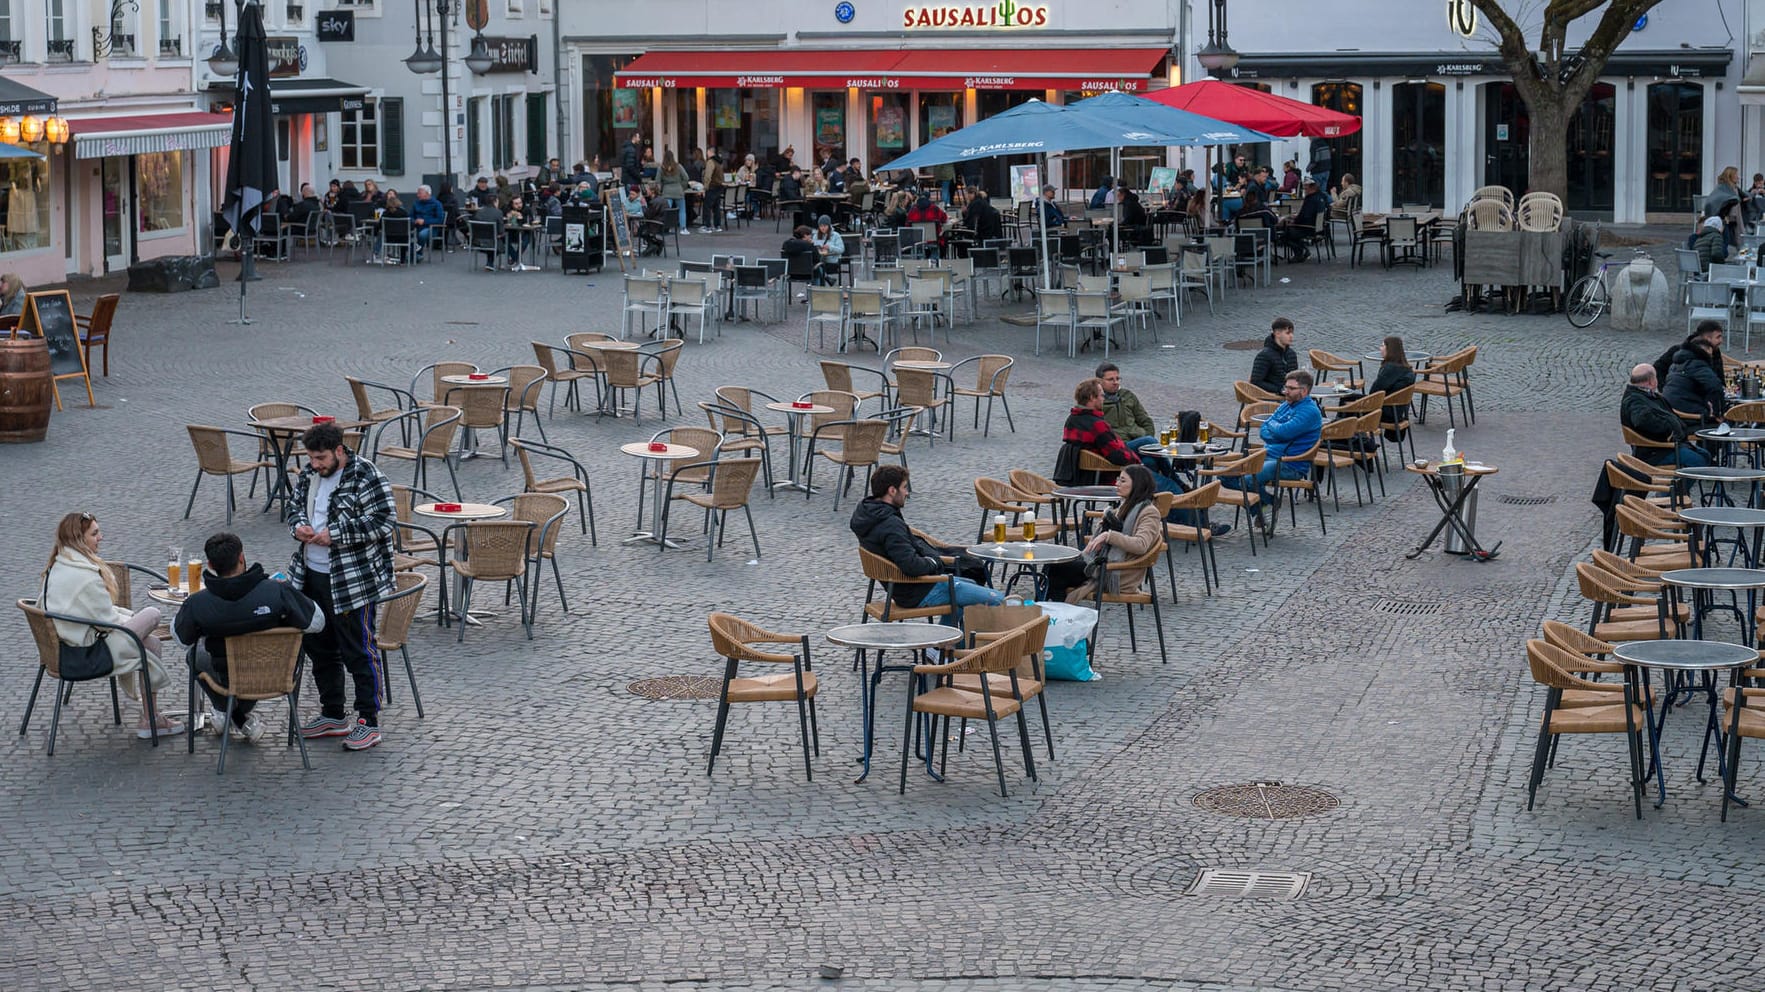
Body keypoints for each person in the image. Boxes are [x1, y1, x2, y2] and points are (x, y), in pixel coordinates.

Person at [286, 421, 397, 751]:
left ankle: (369, 720)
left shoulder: (366, 474)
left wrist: (337, 534)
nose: (315, 465)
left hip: (353, 580)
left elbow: (385, 519)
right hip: (311, 574)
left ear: (338, 451)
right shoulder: (309, 474)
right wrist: (299, 528)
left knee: (358, 650)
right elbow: (293, 508)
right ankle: (333, 714)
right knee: (319, 647)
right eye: (312, 458)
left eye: (320, 458)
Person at [173, 532, 326, 743]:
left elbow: (180, 639)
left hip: (227, 675)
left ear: (209, 564)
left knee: (194, 655)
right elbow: (317, 622)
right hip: (277, 671)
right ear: (242, 557)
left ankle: (226, 711)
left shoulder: (198, 604)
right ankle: (238, 716)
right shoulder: (277, 591)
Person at [40, 512, 180, 739]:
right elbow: (107, 622)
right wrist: (137, 621)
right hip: (89, 653)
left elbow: (99, 614)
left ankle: (151, 719)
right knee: (153, 614)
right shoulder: (84, 576)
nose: (101, 537)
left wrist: (131, 619)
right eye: (94, 533)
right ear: (79, 538)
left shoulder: (58, 566)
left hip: (69, 645)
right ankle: (151, 719)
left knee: (151, 643)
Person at [849, 465, 1003, 625]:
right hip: (917, 590)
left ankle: (942, 648)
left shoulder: (868, 514)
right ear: (892, 491)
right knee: (999, 600)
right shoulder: (890, 525)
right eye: (904, 487)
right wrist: (935, 561)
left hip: (903, 588)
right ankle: (962, 645)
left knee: (970, 586)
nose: (907, 493)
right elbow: (911, 565)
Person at [1041, 465, 1165, 609]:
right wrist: (1105, 525)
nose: (1117, 484)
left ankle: (1056, 613)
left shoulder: (1149, 512)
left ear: (1137, 485)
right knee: (1054, 567)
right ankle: (1053, 612)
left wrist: (1108, 536)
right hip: (1103, 563)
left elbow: (1141, 545)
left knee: (1057, 570)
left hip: (1117, 571)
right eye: (1118, 479)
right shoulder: (1126, 506)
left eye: (1123, 481)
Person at [1224, 370, 1324, 536]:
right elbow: (1264, 430)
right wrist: (1276, 429)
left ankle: (1263, 506)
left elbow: (1282, 431)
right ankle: (1268, 503)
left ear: (1304, 391)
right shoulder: (1286, 405)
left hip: (1289, 463)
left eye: (1291, 388)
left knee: (1248, 480)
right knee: (1225, 475)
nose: (1286, 391)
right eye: (1286, 387)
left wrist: (1275, 428)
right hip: (1269, 454)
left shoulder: (1310, 412)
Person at [1622, 363, 1709, 468]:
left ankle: (1681, 482)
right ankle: (1676, 484)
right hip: (1656, 450)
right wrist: (1669, 430)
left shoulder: (1648, 395)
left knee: (1705, 455)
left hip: (1668, 445)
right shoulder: (1635, 401)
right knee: (1697, 461)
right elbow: (1641, 420)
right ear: (1651, 381)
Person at [1662, 327, 1728, 425]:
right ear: (1704, 351)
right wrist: (1718, 413)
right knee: (1725, 421)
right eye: (1709, 354)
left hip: (1671, 410)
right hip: (1688, 413)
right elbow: (1715, 386)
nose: (1711, 357)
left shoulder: (1675, 364)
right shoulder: (1697, 364)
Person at [1095, 362, 1156, 451]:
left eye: (1118, 378)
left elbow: (1145, 420)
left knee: (1150, 461)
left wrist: (1148, 434)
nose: (1115, 382)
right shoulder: (1096, 400)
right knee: (1150, 442)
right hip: (1118, 445)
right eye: (1111, 379)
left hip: (1138, 439)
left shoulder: (1127, 395)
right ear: (1099, 381)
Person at [1367, 335, 1417, 432]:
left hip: (1384, 413)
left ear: (1389, 349)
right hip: (1397, 412)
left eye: (1382, 346)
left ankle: (1346, 442)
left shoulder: (1390, 369)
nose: (1380, 348)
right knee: (1351, 399)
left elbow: (1374, 393)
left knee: (1347, 402)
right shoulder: (1406, 368)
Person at [1653, 320, 1726, 385]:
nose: (1721, 340)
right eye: (1718, 337)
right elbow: (1657, 368)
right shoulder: (1678, 351)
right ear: (1707, 338)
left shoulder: (1714, 350)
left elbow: (1719, 377)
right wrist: (1665, 389)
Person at [1276, 178, 1331, 261]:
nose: (1304, 191)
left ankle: (1299, 252)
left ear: (1311, 188)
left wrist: (1293, 221)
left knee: (1284, 234)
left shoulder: (1310, 199)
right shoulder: (1321, 196)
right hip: (1317, 227)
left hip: (1307, 227)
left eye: (1306, 188)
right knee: (1288, 229)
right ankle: (1303, 249)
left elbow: (1304, 217)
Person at [1250, 317, 1299, 396]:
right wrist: (1280, 389)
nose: (1291, 336)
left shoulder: (1291, 354)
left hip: (1291, 396)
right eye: (1288, 333)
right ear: (1277, 333)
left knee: (1312, 405)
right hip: (1272, 398)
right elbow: (1256, 382)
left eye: (1292, 333)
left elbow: (1295, 378)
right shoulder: (1264, 355)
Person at [1706, 165, 1744, 249]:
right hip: (1724, 219)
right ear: (1730, 176)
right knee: (1724, 241)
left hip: (1726, 219)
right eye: (1736, 175)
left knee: (1725, 241)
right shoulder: (1727, 188)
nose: (1738, 177)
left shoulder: (1731, 188)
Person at [410, 184, 445, 260]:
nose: (417, 195)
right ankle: (410, 253)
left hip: (431, 228)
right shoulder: (416, 203)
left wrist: (425, 221)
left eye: (420, 193)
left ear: (427, 194)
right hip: (416, 226)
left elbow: (439, 220)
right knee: (405, 232)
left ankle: (418, 253)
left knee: (422, 234)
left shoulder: (437, 204)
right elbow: (410, 216)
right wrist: (414, 221)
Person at [658, 150, 689, 232]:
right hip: (678, 190)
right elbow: (686, 177)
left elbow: (657, 181)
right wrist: (682, 186)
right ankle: (683, 228)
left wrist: (660, 190)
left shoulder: (661, 168)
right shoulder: (678, 166)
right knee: (682, 210)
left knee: (667, 211)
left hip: (667, 191)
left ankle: (667, 228)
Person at [811, 215, 844, 285]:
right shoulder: (816, 235)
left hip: (832, 261)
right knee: (814, 266)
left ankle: (819, 286)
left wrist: (830, 247)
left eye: (825, 226)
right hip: (820, 259)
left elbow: (841, 249)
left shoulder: (836, 235)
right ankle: (826, 279)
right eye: (821, 226)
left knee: (817, 267)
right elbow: (813, 248)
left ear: (829, 226)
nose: (823, 228)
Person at [700, 152, 726, 233]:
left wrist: (705, 187)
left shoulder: (710, 162)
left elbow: (708, 176)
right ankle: (717, 225)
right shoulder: (719, 163)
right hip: (719, 187)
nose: (706, 154)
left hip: (712, 187)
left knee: (707, 207)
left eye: (708, 152)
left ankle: (707, 226)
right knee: (716, 207)